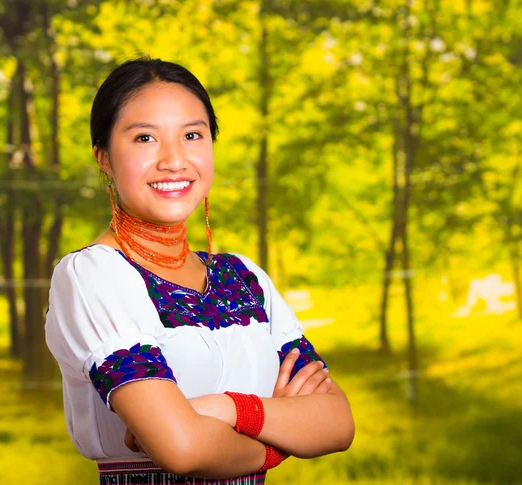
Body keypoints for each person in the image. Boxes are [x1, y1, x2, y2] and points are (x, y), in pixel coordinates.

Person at [44, 56, 354, 485]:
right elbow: (182, 449)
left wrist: (225, 408)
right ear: (104, 158)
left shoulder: (243, 278)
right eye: (145, 138)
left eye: (192, 134)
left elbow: (337, 424)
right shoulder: (91, 275)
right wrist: (283, 438)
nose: (174, 160)